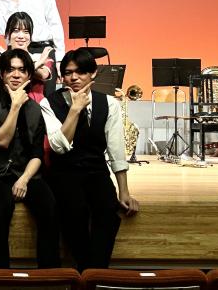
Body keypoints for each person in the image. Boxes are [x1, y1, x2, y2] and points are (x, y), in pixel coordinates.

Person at [40, 48, 140, 270]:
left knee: (109, 213)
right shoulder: (49, 103)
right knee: (74, 213)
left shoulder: (109, 104)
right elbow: (58, 146)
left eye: (81, 72)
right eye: (68, 73)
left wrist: (124, 191)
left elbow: (116, 150)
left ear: (93, 73)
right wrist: (75, 110)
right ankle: (90, 272)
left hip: (96, 171)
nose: (74, 78)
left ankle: (93, 271)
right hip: (64, 172)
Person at [0, 49, 60, 269]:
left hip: (26, 172)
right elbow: (2, 141)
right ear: (1, 73)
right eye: (10, 69)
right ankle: (1, 273)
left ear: (29, 75)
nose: (16, 75)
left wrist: (24, 179)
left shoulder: (35, 108)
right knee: (1, 208)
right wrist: (14, 106)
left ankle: (49, 273)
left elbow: (36, 154)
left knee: (49, 205)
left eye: (22, 70)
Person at [1, 12, 54, 101]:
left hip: (36, 106)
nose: (21, 36)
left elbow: (43, 74)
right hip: (8, 105)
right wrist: (38, 64)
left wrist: (39, 62)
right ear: (7, 34)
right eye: (16, 31)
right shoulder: (0, 59)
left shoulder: (40, 58)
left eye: (26, 32)